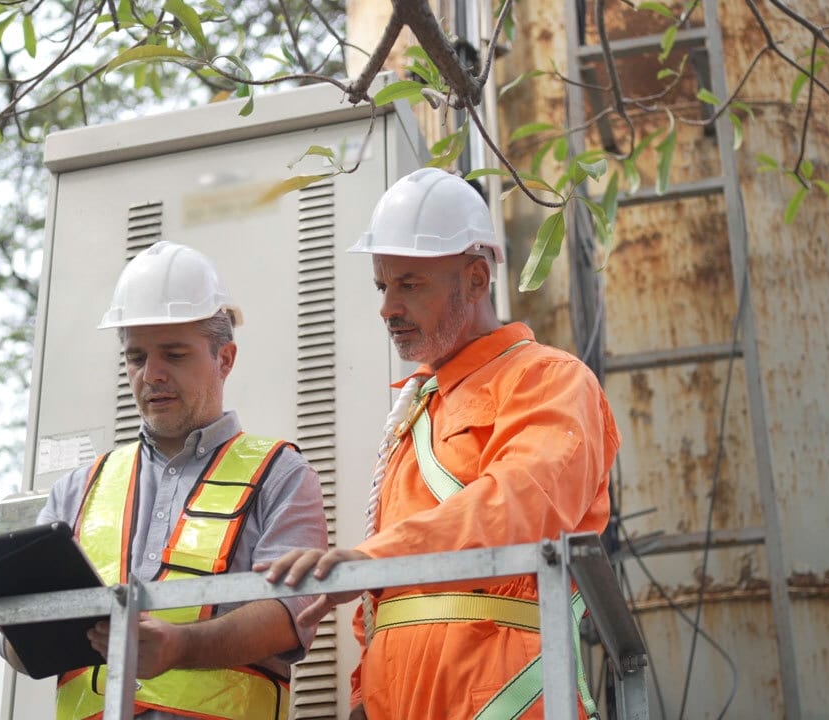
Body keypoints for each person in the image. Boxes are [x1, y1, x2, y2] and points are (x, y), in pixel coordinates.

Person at [258, 168, 620, 720]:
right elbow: (388, 601)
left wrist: (369, 560)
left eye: (409, 284)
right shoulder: (414, 409)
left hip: (506, 695)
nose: (387, 308)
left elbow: (519, 506)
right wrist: (361, 698)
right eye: (383, 286)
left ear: (476, 279)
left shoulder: (549, 380)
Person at [7, 240, 329, 720]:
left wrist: (181, 646)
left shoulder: (281, 474)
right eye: (136, 358)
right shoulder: (77, 489)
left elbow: (291, 615)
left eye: (173, 355)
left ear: (225, 359)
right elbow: (19, 655)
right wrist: (16, 621)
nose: (151, 375)